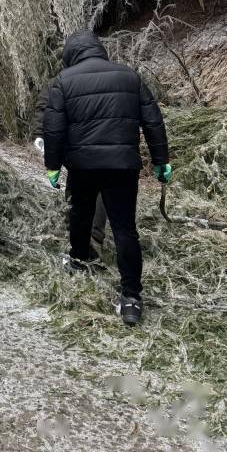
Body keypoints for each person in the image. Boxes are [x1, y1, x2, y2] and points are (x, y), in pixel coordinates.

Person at [42, 30, 172, 326]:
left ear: (71, 55)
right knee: (125, 228)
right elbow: (153, 120)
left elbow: (53, 128)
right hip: (122, 167)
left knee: (80, 213)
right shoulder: (129, 77)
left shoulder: (64, 81)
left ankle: (78, 259)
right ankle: (131, 299)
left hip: (83, 165)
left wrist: (52, 165)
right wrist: (161, 161)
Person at [31, 80, 107, 259]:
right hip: (94, 143)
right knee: (87, 185)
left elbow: (44, 106)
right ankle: (82, 232)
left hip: (80, 144)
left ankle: (89, 237)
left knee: (90, 186)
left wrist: (40, 134)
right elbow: (45, 106)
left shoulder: (61, 80)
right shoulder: (109, 75)